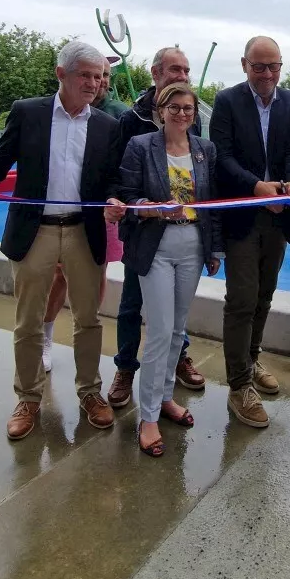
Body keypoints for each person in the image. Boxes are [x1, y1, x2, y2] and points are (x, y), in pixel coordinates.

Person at [0, 40, 118, 440]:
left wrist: (116, 197)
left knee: (89, 320)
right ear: (62, 74)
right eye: (85, 76)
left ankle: (90, 393)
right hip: (34, 230)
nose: (94, 84)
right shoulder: (28, 112)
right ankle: (28, 398)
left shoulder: (108, 125)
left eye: (98, 77)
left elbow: (112, 178)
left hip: (84, 230)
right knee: (27, 321)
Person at [107, 83, 223, 457]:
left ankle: (167, 396)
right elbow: (127, 194)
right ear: (161, 110)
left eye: (188, 108)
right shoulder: (141, 147)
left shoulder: (205, 151)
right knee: (158, 331)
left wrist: (215, 247)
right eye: (175, 108)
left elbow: (212, 203)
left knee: (177, 330)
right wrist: (155, 207)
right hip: (154, 247)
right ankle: (149, 416)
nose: (183, 114)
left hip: (192, 247)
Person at [209, 35, 290, 428]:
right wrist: (256, 187)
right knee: (241, 300)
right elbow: (222, 156)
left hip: (280, 214)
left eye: (274, 66)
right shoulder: (227, 101)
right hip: (244, 214)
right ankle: (238, 385)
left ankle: (251, 360)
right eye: (259, 66)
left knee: (264, 296)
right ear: (244, 64)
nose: (267, 74)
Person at [106, 47, 206, 409]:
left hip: (185, 238)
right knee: (132, 303)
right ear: (155, 72)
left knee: (174, 318)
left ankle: (177, 362)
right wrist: (129, 206)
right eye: (174, 69)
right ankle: (125, 368)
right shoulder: (132, 121)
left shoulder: (195, 127)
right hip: (145, 235)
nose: (181, 75)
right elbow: (119, 178)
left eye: (186, 69)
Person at [40, 57, 130, 374]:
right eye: (93, 75)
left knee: (97, 273)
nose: (99, 81)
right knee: (59, 275)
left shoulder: (118, 114)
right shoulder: (56, 111)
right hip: (64, 211)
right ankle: (46, 334)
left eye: (104, 75)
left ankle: (86, 338)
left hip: (100, 210)